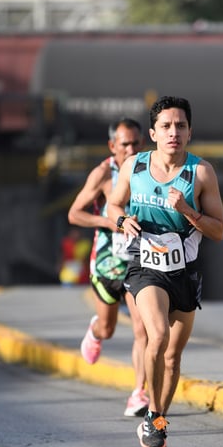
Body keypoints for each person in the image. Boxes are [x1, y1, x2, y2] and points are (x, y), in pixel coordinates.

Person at [107, 96, 223, 447]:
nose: (174, 132)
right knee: (156, 335)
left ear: (190, 132)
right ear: (154, 133)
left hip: (185, 274)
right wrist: (121, 220)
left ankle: (156, 423)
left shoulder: (201, 173)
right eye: (167, 126)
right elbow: (113, 205)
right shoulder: (134, 166)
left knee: (173, 357)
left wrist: (188, 211)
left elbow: (219, 230)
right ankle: (151, 412)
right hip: (145, 268)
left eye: (181, 126)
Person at [67, 117, 150, 417]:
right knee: (109, 327)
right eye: (124, 144)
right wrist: (111, 221)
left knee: (143, 328)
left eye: (135, 143)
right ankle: (96, 330)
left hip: (139, 263)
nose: (130, 149)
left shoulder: (150, 169)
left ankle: (138, 394)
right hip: (107, 264)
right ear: (112, 145)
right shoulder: (103, 173)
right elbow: (74, 214)